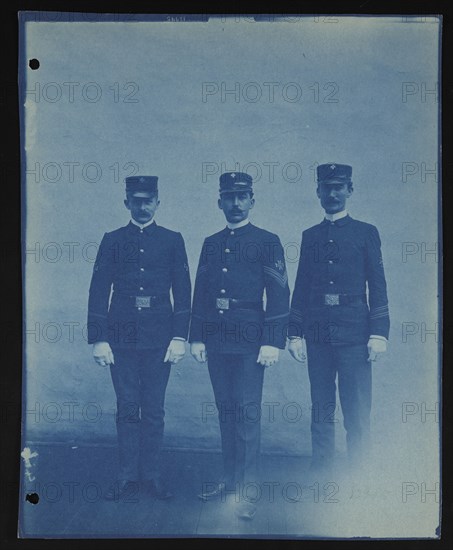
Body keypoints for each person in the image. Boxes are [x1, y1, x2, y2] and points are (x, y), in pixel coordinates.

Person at [189, 172, 290, 520]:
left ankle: (248, 489)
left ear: (252, 200)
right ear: (219, 202)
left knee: (247, 414)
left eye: (242, 196)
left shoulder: (267, 240)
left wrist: (272, 341)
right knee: (226, 412)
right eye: (228, 197)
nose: (235, 203)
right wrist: (197, 335)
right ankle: (229, 481)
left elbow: (279, 294)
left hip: (251, 340)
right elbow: (201, 292)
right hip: (217, 339)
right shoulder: (211, 242)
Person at [87, 175, 191, 500]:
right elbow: (98, 289)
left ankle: (152, 475)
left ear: (158, 202)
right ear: (126, 203)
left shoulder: (173, 240)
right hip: (120, 338)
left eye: (149, 200)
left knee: (155, 409)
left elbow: (183, 291)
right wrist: (98, 338)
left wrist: (180, 336)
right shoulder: (112, 240)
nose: (143, 206)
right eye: (136, 200)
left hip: (161, 338)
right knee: (127, 407)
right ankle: (126, 475)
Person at [288, 163, 389, 475]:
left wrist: (378, 333)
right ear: (318, 192)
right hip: (317, 335)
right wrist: (294, 332)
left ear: (350, 190)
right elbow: (302, 285)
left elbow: (378, 284)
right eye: (326, 188)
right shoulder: (311, 236)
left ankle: (360, 476)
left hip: (355, 335)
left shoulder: (366, 233)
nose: (332, 193)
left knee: (357, 411)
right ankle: (322, 473)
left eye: (338, 187)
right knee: (321, 409)